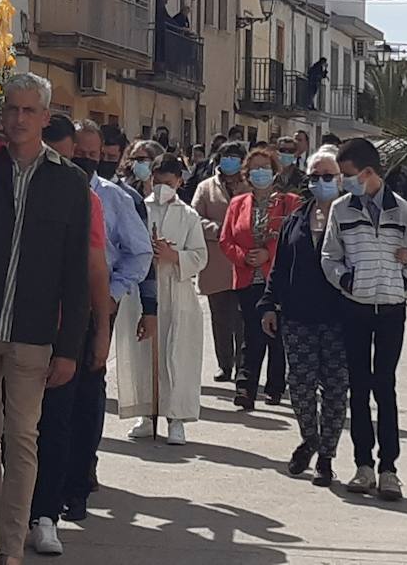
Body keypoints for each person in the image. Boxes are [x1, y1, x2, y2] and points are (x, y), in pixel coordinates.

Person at [0, 74, 90, 565]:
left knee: (22, 438)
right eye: (12, 109)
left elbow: (76, 271)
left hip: (32, 336)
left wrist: (69, 347)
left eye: (29, 111)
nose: (19, 119)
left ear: (45, 118)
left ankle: (12, 551)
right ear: (2, 114)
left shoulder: (69, 181)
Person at [321, 138, 407, 502]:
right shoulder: (341, 210)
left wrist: (403, 279)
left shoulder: (402, 211)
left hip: (390, 309)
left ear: (369, 173)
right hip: (354, 308)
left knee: (384, 385)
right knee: (359, 385)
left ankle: (389, 470)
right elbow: (329, 257)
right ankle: (363, 465)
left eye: (349, 175)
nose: (344, 182)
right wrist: (346, 279)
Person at [26, 114, 116, 556]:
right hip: (13, 329)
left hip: (65, 328)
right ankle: (18, 507)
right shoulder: (9, 189)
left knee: (57, 423)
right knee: (14, 426)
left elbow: (96, 268)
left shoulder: (85, 198)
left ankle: (48, 511)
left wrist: (101, 329)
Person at [61, 119, 153, 525]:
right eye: (78, 151)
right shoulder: (44, 187)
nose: (85, 159)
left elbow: (140, 253)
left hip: (95, 307)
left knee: (86, 391)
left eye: (93, 155)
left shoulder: (116, 199)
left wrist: (113, 294)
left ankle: (80, 476)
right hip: (44, 308)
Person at [261, 148, 348, 487]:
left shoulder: (351, 218)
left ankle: (326, 456)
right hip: (298, 317)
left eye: (328, 176)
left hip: (339, 318)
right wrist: (268, 304)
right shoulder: (296, 219)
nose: (321, 182)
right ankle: (310, 439)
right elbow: (279, 267)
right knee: (299, 387)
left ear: (341, 179)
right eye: (315, 177)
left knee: (335, 389)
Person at [117, 153, 207, 445]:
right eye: (157, 182)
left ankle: (176, 418)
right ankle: (147, 413)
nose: (161, 188)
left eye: (167, 183)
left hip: (177, 292)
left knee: (177, 355)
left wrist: (173, 255)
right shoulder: (138, 209)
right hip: (145, 292)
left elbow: (200, 256)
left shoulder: (189, 215)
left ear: (179, 182)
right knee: (145, 353)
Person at [220, 145, 298, 410]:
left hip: (277, 279)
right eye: (255, 169)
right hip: (247, 277)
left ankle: (275, 386)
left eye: (265, 168)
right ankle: (245, 387)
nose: (260, 173)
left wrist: (268, 254)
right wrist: (243, 257)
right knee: (250, 334)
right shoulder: (237, 203)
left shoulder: (290, 203)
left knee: (276, 335)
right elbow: (226, 239)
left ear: (275, 172)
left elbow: (292, 240)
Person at [193, 142, 248, 383]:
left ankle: (243, 368)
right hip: (217, 262)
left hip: (245, 262)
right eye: (226, 156)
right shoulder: (206, 188)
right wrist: (219, 230)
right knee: (221, 319)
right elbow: (194, 217)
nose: (230, 161)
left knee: (244, 320)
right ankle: (224, 365)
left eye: (235, 157)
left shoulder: (252, 186)